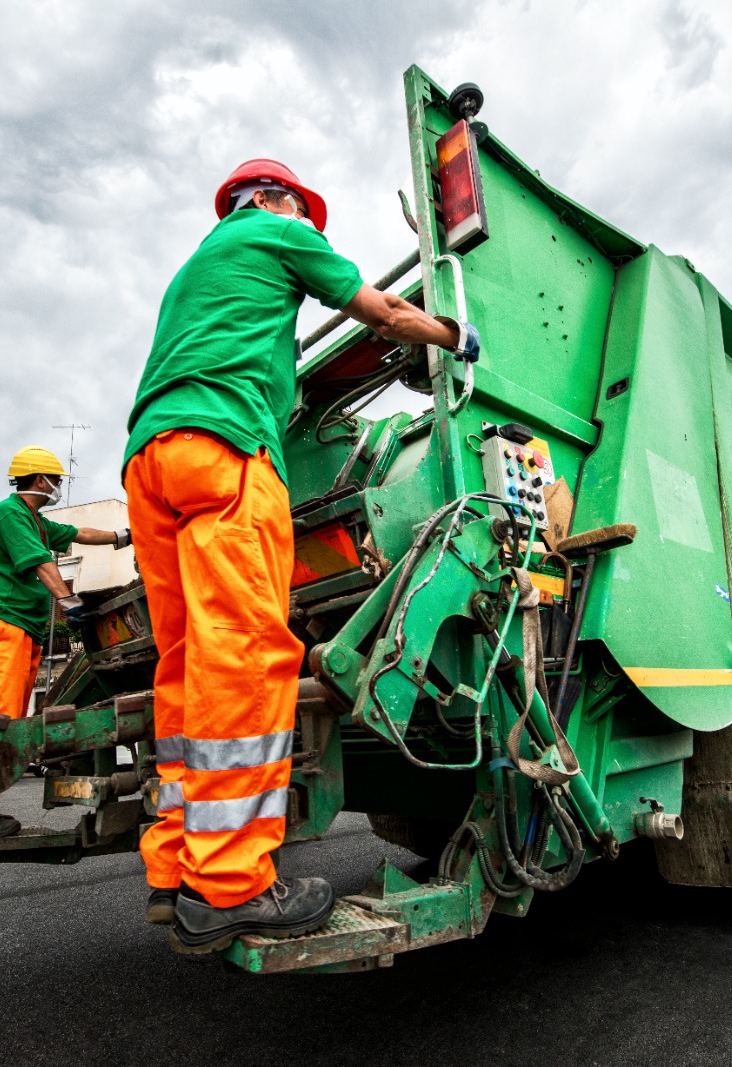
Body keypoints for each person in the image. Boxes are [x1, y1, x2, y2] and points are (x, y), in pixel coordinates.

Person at [123, 159, 480, 953]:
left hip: (151, 462)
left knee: (185, 668)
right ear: (279, 200)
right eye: (307, 215)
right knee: (246, 658)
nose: (312, 230)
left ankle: (179, 866)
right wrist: (456, 336)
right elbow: (381, 311)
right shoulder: (281, 233)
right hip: (226, 452)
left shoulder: (197, 268)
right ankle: (232, 886)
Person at [0, 447, 131, 841]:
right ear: (41, 480)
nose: (59, 487)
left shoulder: (36, 521)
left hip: (16, 630)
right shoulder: (9, 514)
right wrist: (67, 599)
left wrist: (125, 536)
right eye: (58, 481)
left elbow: (80, 534)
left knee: (0, 721)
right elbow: (40, 561)